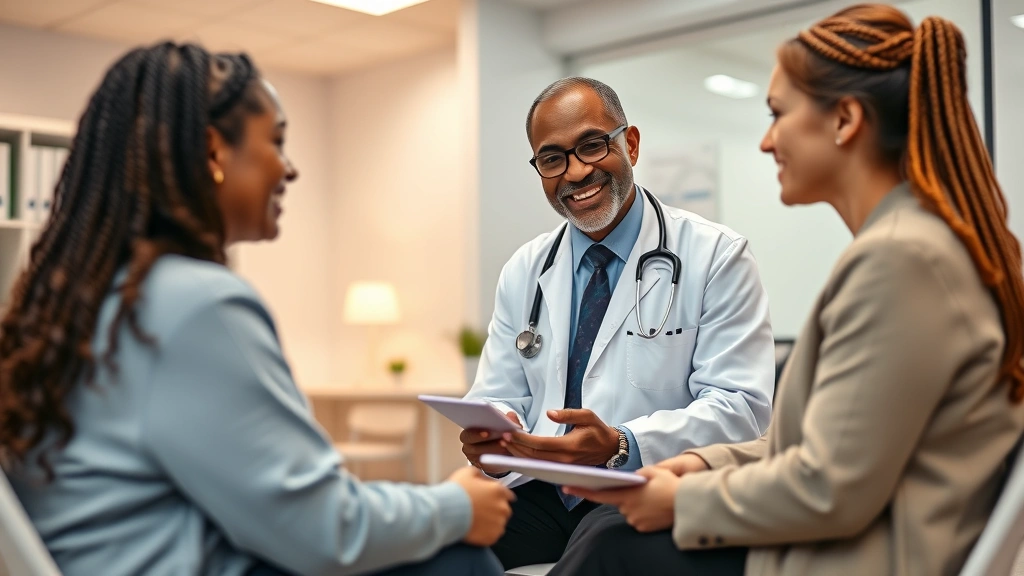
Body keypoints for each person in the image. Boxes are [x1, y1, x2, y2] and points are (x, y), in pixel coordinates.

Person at [0, 42, 512, 576]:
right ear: (213, 151)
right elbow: (323, 529)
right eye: (277, 141)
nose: (289, 169)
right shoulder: (195, 303)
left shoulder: (85, 300)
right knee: (456, 559)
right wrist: (456, 506)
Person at [551, 5, 1024, 575]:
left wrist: (683, 499)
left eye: (778, 114)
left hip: (855, 558)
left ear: (845, 119)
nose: (766, 142)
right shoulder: (912, 246)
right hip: (852, 533)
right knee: (610, 528)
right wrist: (703, 464)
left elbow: (829, 486)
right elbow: (829, 450)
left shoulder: (900, 260)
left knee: (614, 542)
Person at [461, 76, 776, 569]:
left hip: (644, 480)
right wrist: (496, 434)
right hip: (544, 488)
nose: (576, 171)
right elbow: (498, 393)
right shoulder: (525, 268)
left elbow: (740, 408)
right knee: (452, 540)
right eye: (552, 159)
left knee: (604, 546)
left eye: (592, 146)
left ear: (630, 143)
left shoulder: (717, 255)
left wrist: (622, 443)